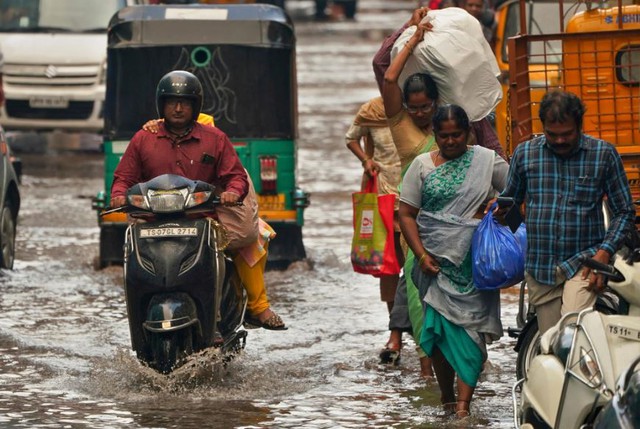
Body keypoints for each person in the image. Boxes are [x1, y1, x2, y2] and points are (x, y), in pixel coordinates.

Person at [110, 70, 287, 330]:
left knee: (252, 236)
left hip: (203, 218)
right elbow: (123, 177)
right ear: (162, 106)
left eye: (185, 103)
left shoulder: (214, 137)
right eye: (172, 102)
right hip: (153, 219)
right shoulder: (144, 137)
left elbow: (235, 176)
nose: (178, 109)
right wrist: (117, 195)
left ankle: (234, 315)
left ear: (196, 107)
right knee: (131, 258)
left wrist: (232, 192)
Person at [497, 90, 635, 335]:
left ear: (579, 125)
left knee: (570, 333)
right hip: (541, 267)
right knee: (550, 342)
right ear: (543, 127)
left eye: (567, 134)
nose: (560, 141)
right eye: (552, 135)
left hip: (585, 261)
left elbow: (624, 212)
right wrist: (502, 214)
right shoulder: (525, 154)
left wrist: (605, 253)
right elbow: (512, 206)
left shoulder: (603, 155)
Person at [400, 104, 508, 418]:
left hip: (475, 266)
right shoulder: (420, 166)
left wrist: (496, 204)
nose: (450, 142)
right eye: (443, 136)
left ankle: (463, 406)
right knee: (439, 336)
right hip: (432, 266)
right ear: (435, 135)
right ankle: (447, 397)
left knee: (472, 335)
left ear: (469, 133)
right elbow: (406, 214)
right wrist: (420, 255)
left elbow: (516, 190)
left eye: (456, 135)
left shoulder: (487, 162)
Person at [345, 96, 408, 364]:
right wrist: (365, 160)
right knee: (389, 268)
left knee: (418, 264)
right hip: (383, 196)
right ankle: (396, 333)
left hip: (415, 196)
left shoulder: (417, 106)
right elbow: (351, 138)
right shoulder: (371, 110)